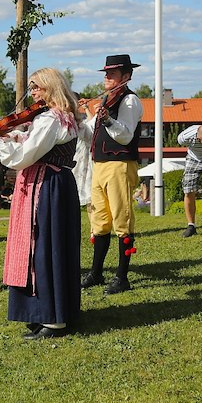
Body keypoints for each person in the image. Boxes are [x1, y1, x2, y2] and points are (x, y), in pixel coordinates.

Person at [0, 68, 82, 339]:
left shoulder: (50, 119)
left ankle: (52, 318)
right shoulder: (62, 117)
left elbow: (24, 157)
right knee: (51, 247)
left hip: (46, 186)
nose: (32, 93)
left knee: (42, 248)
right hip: (56, 185)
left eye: (37, 87)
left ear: (51, 88)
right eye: (31, 87)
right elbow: (34, 143)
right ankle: (51, 312)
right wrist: (6, 137)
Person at [79, 54, 143, 295]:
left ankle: (122, 277)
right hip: (100, 164)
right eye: (106, 73)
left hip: (120, 164)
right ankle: (96, 273)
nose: (107, 77)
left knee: (121, 220)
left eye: (112, 73)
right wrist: (74, 118)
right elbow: (87, 132)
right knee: (100, 221)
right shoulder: (106, 99)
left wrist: (106, 120)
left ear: (126, 76)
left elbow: (125, 135)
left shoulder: (129, 101)